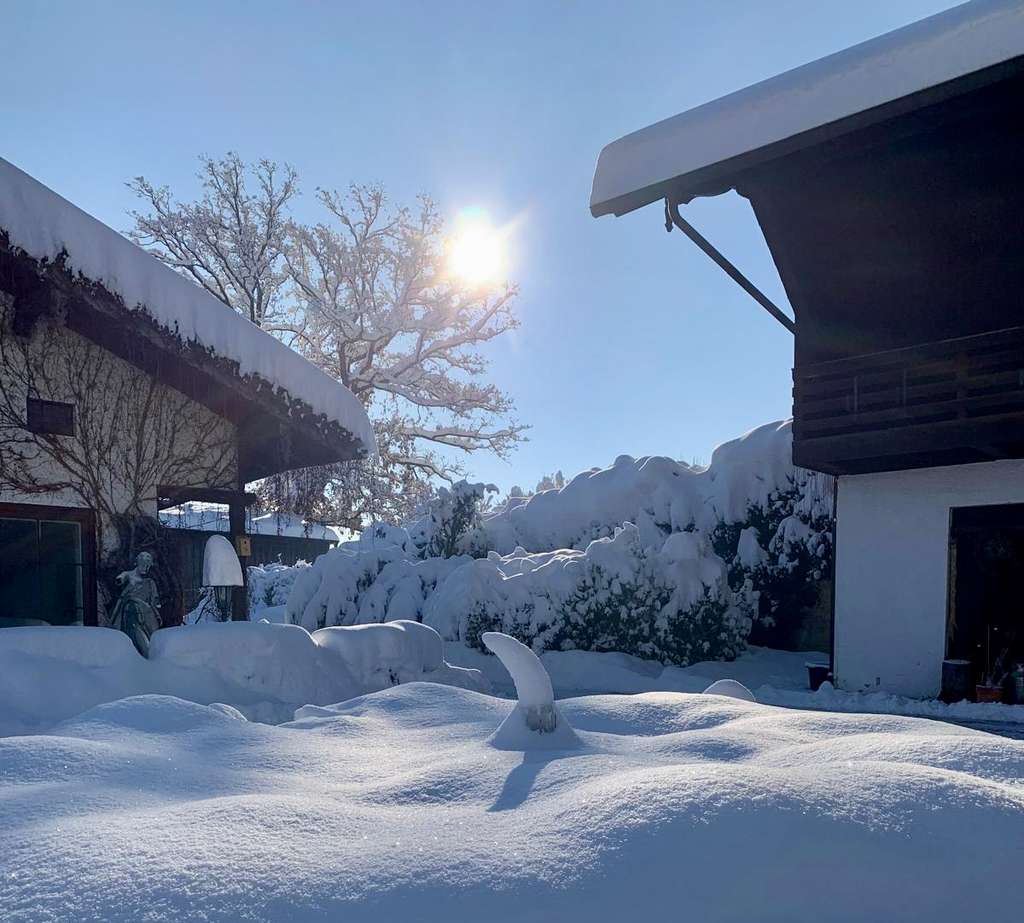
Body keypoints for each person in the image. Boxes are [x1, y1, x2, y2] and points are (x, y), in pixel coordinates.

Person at [109, 551, 162, 656]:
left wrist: (155, 607)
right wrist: (120, 581)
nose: (146, 568)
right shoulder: (129, 575)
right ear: (138, 563)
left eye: (148, 566)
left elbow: (154, 601)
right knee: (136, 636)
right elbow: (120, 579)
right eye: (143, 565)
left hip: (146, 613)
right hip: (132, 611)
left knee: (148, 635)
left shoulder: (150, 583)